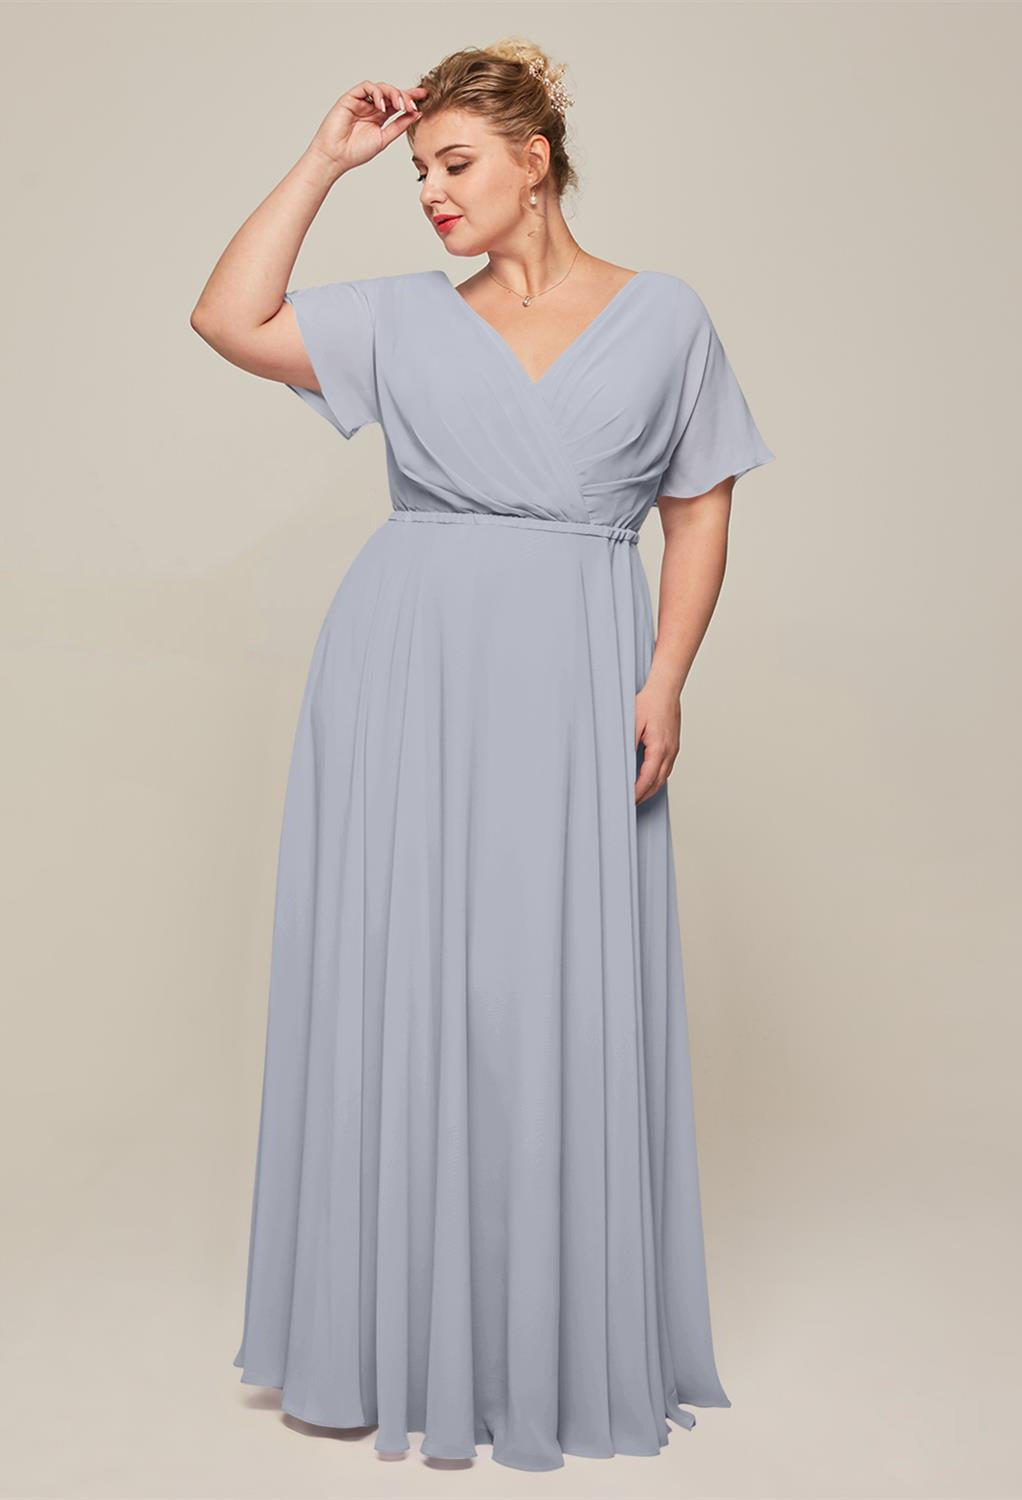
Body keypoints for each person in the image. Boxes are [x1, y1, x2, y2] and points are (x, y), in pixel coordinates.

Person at [191, 37, 774, 1474]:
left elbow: (695, 507)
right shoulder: (400, 318)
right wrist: (326, 158)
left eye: (454, 166)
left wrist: (666, 677)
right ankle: (384, 1336)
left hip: (578, 667)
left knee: (548, 989)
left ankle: (541, 1339)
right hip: (407, 675)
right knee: (405, 979)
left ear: (537, 158)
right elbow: (226, 315)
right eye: (416, 174)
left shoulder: (665, 317)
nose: (433, 195)